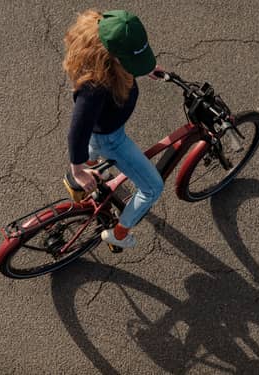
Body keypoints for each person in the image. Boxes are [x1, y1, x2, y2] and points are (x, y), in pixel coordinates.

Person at [62, 9, 164, 249]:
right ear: (112, 57)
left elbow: (128, 60)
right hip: (111, 138)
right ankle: (118, 234)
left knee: (94, 148)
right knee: (152, 188)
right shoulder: (95, 86)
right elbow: (78, 129)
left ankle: (92, 168)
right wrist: (77, 170)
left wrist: (144, 67)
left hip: (103, 131)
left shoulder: (105, 37)